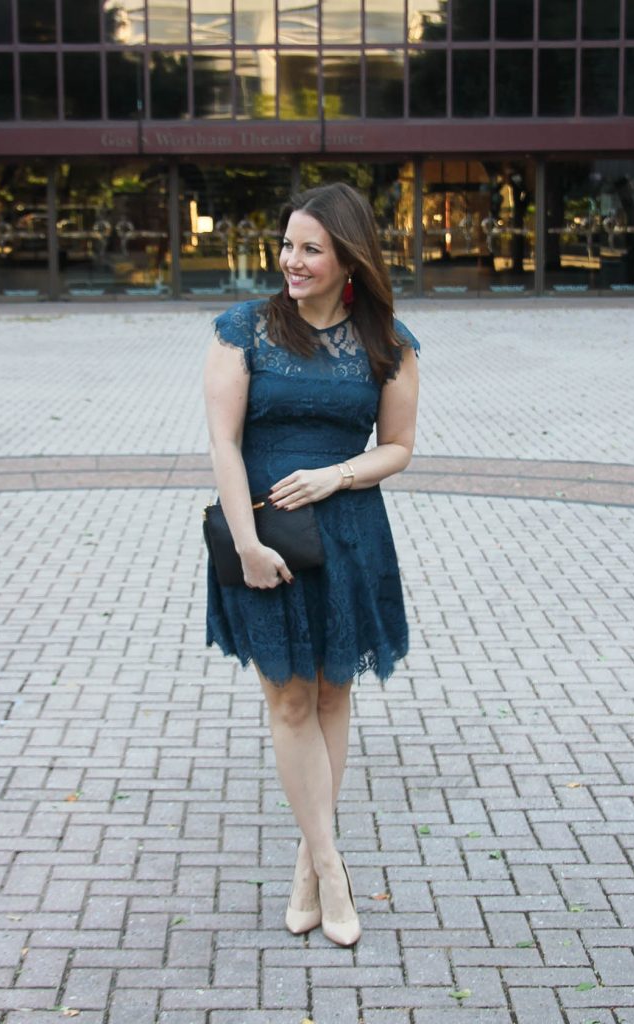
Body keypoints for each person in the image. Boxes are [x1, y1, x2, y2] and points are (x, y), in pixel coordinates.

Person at [203, 181, 419, 947]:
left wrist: (338, 474)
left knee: (332, 696)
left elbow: (398, 446)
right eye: (288, 245)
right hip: (262, 535)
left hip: (350, 534)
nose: (291, 261)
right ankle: (332, 868)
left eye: (309, 249)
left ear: (346, 257)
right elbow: (224, 443)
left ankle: (306, 859)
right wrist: (250, 543)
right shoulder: (244, 331)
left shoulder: (386, 339)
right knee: (289, 700)